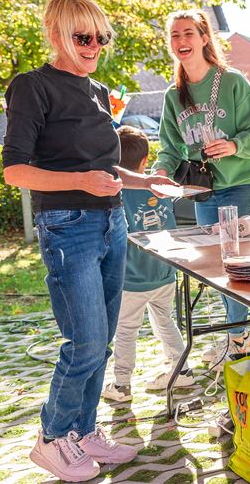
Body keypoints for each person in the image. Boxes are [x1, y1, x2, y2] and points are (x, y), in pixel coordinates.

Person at [2, 0, 175, 482]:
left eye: (102, 36)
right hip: (68, 227)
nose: (95, 44)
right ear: (56, 35)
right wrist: (81, 183)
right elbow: (16, 170)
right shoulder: (32, 87)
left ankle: (83, 431)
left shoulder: (97, 89)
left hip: (111, 222)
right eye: (84, 36)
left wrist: (145, 181)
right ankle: (52, 438)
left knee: (101, 343)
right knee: (86, 340)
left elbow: (101, 166)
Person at [154, 9, 250, 370]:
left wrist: (234, 146)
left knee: (238, 264)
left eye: (188, 33)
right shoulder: (173, 96)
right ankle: (239, 335)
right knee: (218, 267)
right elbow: (169, 146)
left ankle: (239, 337)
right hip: (202, 191)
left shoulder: (232, 82)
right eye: (175, 35)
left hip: (243, 186)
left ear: (205, 38)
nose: (181, 41)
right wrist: (160, 171)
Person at [102, 126, 192, 404]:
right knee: (165, 321)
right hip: (165, 272)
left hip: (131, 278)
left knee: (126, 330)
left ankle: (121, 385)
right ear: (145, 161)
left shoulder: (116, 192)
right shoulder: (159, 187)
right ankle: (182, 370)